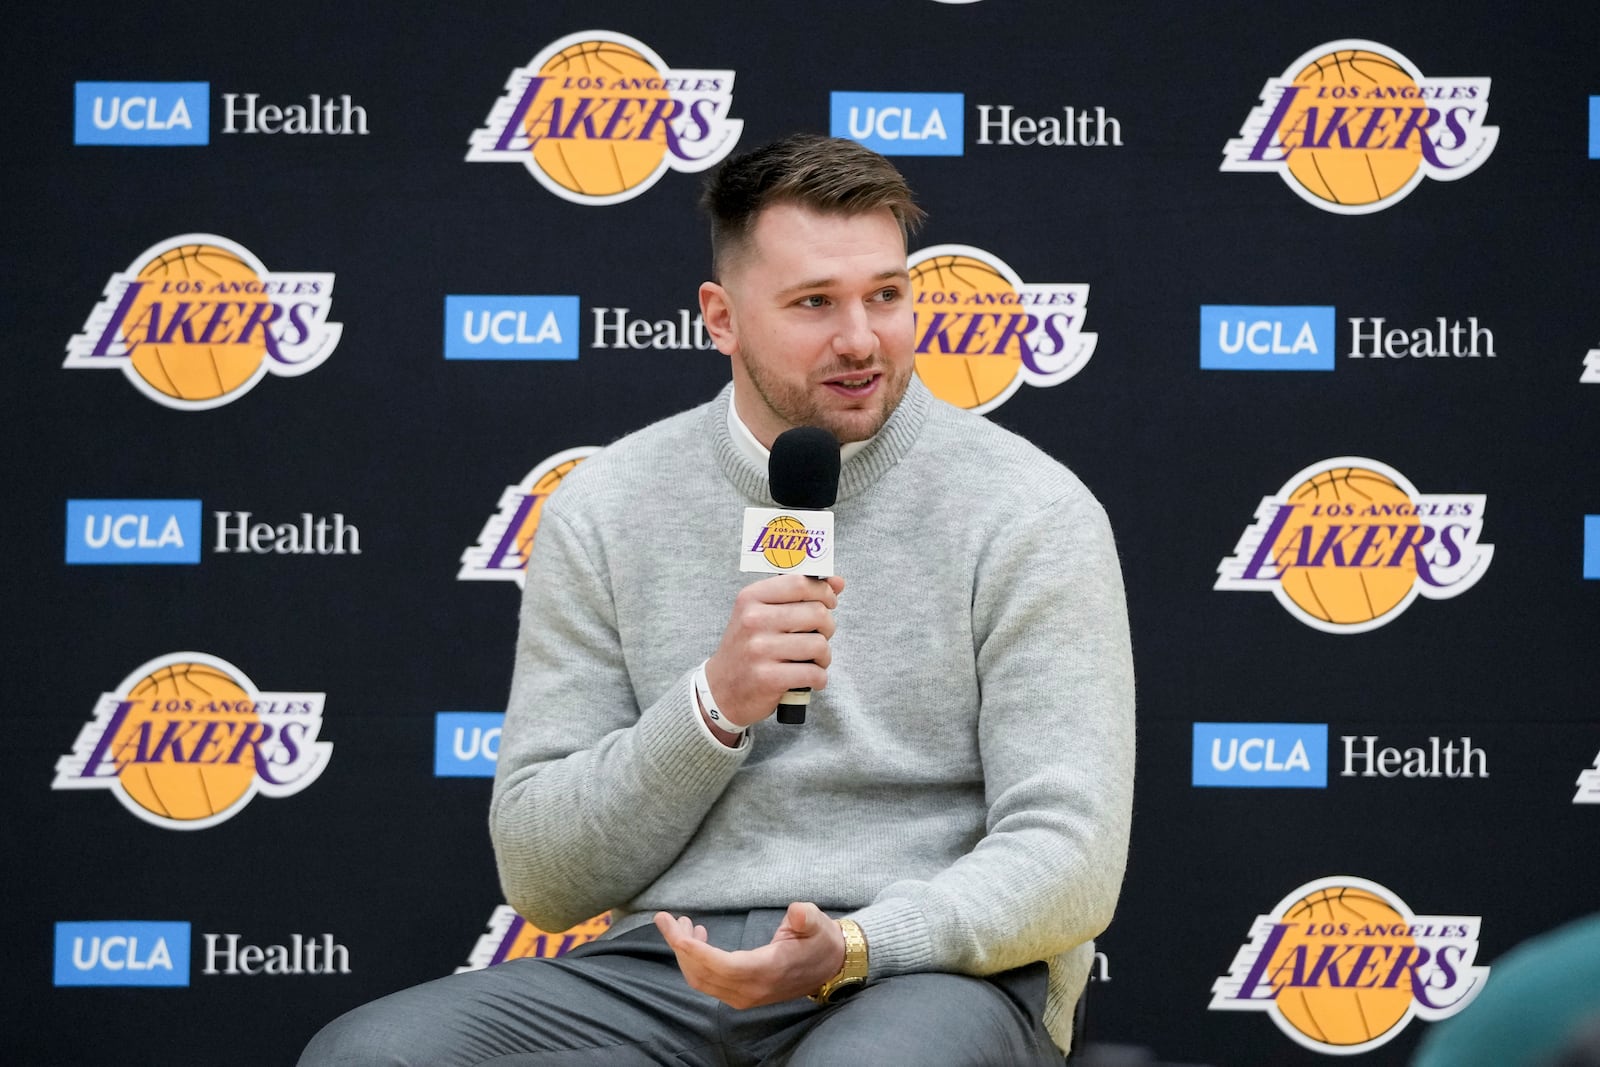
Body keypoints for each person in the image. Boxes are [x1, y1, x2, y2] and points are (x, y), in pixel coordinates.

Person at [300, 133, 1135, 1066]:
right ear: (721, 317)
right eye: (815, 302)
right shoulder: (606, 504)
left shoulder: (1030, 509)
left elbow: (1071, 855)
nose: (861, 338)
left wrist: (859, 947)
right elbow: (542, 872)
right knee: (367, 1055)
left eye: (887, 295)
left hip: (926, 972)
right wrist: (713, 707)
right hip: (670, 969)